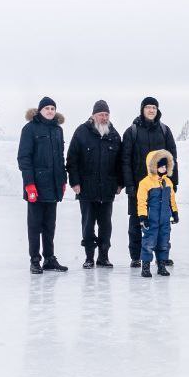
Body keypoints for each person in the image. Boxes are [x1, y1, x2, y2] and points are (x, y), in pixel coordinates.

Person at [120, 97, 177, 268]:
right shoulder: (132, 132)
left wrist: (174, 182)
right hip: (139, 186)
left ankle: (162, 255)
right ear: (142, 109)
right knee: (138, 221)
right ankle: (136, 255)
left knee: (162, 221)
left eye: (154, 107)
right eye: (148, 107)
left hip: (161, 186)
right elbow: (125, 160)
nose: (151, 110)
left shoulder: (165, 131)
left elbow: (172, 158)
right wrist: (129, 184)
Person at [66, 100, 122, 269]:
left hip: (107, 188)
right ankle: (89, 257)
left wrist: (120, 183)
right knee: (88, 224)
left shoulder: (114, 135)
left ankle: (103, 257)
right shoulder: (82, 132)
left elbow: (120, 162)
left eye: (106, 114)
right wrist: (74, 182)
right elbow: (72, 159)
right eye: (100, 114)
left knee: (106, 225)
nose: (104, 118)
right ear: (93, 115)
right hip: (86, 188)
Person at [19, 97, 69, 274]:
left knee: (50, 225)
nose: (50, 111)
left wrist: (63, 180)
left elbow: (60, 159)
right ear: (39, 110)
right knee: (35, 225)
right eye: (47, 108)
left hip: (53, 185)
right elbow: (24, 159)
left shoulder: (57, 130)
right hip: (36, 186)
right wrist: (29, 184)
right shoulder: (30, 129)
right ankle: (35, 259)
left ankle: (49, 258)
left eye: (52, 108)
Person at [135, 149, 179, 277]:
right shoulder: (145, 183)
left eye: (165, 166)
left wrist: (175, 213)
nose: (164, 168)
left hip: (165, 220)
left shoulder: (168, 182)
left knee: (164, 242)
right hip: (151, 219)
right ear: (154, 166)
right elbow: (141, 201)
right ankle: (146, 267)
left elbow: (172, 200)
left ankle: (161, 265)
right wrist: (143, 217)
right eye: (161, 166)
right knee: (148, 242)